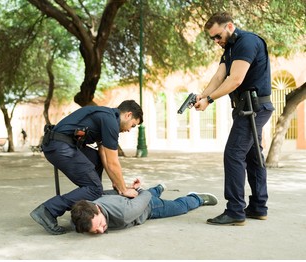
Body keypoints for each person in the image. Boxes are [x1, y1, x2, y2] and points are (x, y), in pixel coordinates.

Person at [194, 12, 274, 225]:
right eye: (212, 38)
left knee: (233, 153)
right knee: (252, 156)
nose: (216, 41)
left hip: (253, 108)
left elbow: (236, 79)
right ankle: (258, 207)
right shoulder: (229, 49)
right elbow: (219, 76)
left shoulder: (247, 42)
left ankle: (235, 211)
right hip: (246, 107)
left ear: (229, 26)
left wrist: (209, 99)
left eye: (218, 36)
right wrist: (202, 95)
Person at [30, 100, 144, 235]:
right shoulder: (110, 121)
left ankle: (91, 201)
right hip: (60, 147)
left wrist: (118, 185)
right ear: (128, 115)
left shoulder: (107, 117)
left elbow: (105, 157)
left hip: (62, 145)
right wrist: (124, 190)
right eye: (133, 125)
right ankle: (48, 210)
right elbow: (113, 162)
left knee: (96, 163)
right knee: (95, 188)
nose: (129, 130)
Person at [71, 183, 218, 234]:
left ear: (97, 208)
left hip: (149, 207)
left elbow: (144, 196)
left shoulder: (125, 214)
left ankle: (197, 198)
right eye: (95, 230)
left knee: (180, 207)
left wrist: (138, 189)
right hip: (129, 201)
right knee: (138, 196)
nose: (101, 230)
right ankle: (159, 188)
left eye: (100, 225)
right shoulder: (85, 209)